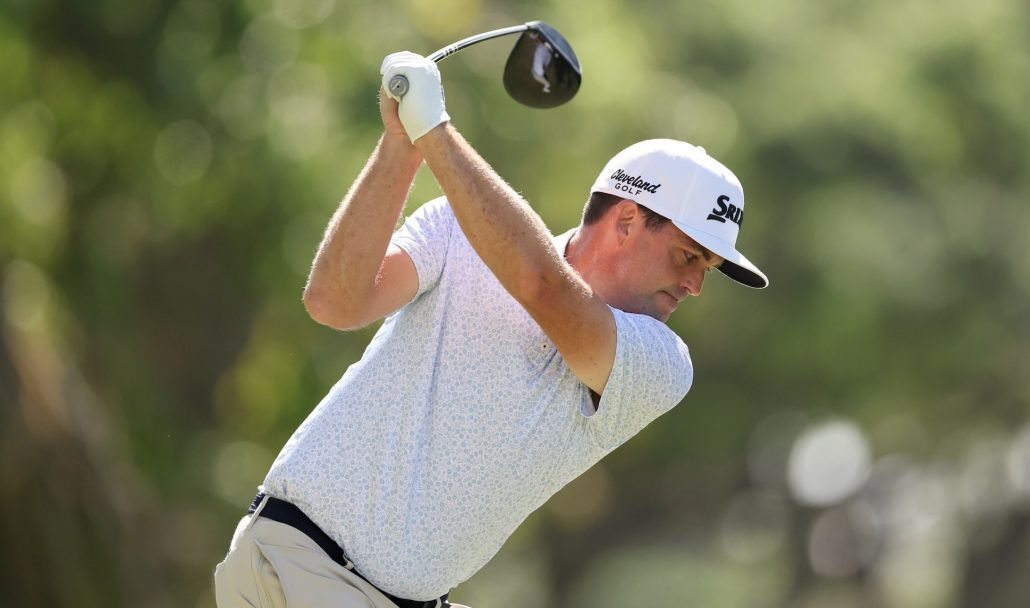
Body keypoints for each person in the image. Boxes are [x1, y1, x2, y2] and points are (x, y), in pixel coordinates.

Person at [213, 51, 768, 608]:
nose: (696, 285)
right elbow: (334, 301)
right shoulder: (453, 229)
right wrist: (401, 147)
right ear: (626, 220)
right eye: (687, 257)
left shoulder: (660, 364)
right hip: (299, 566)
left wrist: (434, 130)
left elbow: (541, 286)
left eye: (707, 270)